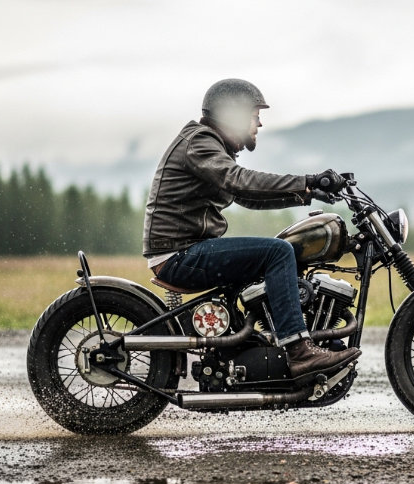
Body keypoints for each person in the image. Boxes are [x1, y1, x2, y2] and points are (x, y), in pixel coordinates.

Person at [142, 78, 361, 378]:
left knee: (285, 253)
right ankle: (299, 352)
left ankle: (322, 341)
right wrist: (306, 180)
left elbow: (247, 197)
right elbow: (240, 181)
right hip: (179, 254)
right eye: (254, 116)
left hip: (186, 250)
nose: (259, 124)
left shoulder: (210, 146)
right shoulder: (200, 142)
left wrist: (308, 193)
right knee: (278, 252)